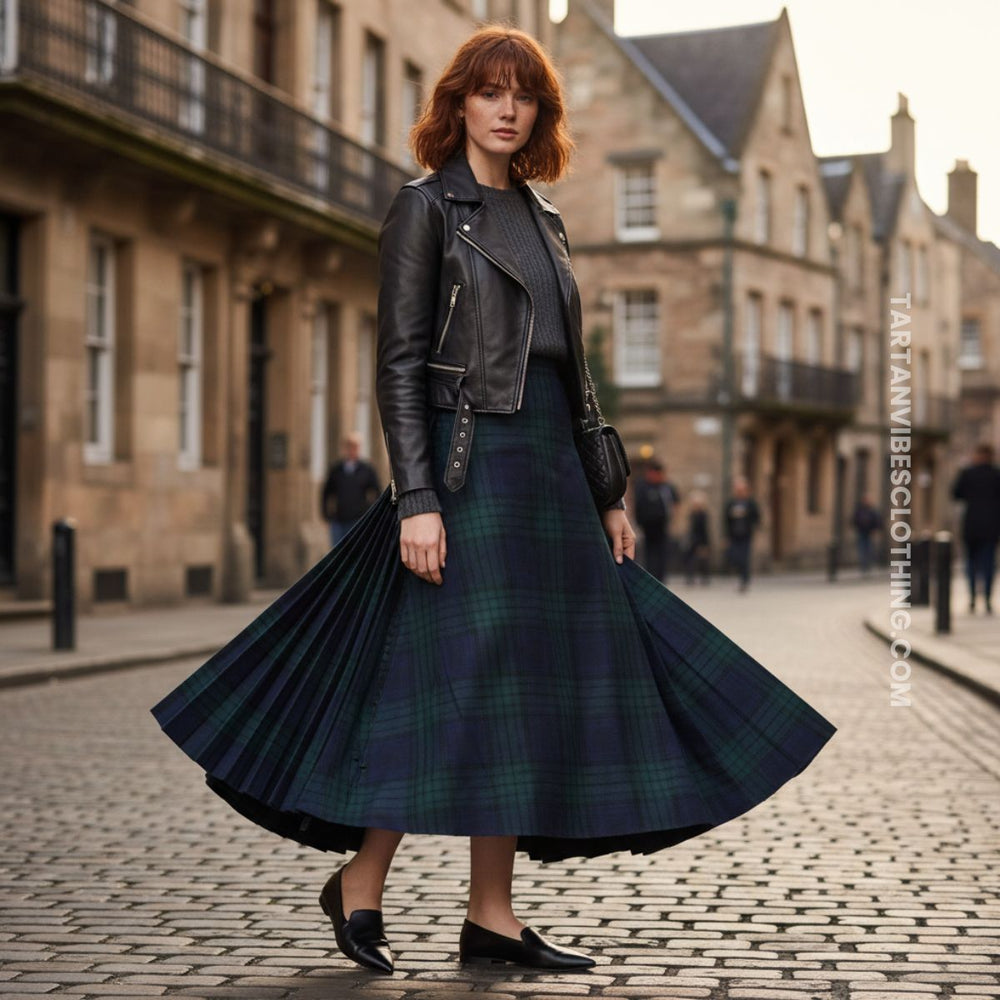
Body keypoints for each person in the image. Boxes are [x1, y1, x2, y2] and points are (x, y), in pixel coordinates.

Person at [150, 25, 836, 978]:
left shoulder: (547, 221)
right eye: (489, 92)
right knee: (446, 681)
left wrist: (608, 492)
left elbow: (574, 376)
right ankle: (362, 880)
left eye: (524, 96)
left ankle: (492, 917)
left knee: (519, 690)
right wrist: (418, 496)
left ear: (540, 113)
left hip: (551, 477)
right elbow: (399, 366)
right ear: (460, 105)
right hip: (468, 471)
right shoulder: (425, 208)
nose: (507, 109)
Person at [950, 442, 1000, 613]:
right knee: (988, 564)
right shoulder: (996, 474)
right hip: (991, 527)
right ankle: (987, 599)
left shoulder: (967, 473)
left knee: (971, 563)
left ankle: (972, 597)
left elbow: (956, 494)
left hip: (971, 525)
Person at [321, 432, 382, 547]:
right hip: (339, 520)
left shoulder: (367, 470)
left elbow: (377, 492)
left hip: (359, 520)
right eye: (349, 446)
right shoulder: (336, 470)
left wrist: (371, 514)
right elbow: (326, 492)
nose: (352, 450)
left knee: (357, 549)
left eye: (355, 446)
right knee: (338, 550)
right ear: (345, 448)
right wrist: (326, 515)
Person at [633, 460, 679, 582]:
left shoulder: (666, 487)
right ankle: (651, 576)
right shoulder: (642, 486)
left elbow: (675, 504)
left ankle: (661, 577)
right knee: (649, 552)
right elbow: (637, 505)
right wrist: (638, 523)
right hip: (647, 526)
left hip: (662, 525)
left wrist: (673, 520)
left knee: (662, 552)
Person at [724, 476, 760, 592]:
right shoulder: (731, 503)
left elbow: (756, 517)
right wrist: (726, 536)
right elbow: (726, 520)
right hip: (734, 534)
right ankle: (738, 574)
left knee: (744, 558)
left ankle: (744, 580)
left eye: (741, 489)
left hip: (746, 534)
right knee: (734, 556)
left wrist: (752, 524)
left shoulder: (750, 503)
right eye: (737, 489)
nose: (739, 491)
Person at [681, 489, 711, 585]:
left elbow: (704, 530)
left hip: (700, 540)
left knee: (702, 560)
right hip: (691, 540)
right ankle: (690, 577)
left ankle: (704, 577)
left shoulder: (703, 515)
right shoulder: (691, 515)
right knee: (690, 559)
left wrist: (705, 544)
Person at [851, 494, 881, 576]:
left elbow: (876, 520)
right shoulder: (860, 510)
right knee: (862, 549)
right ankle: (863, 566)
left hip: (869, 533)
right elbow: (854, 519)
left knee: (869, 549)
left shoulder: (871, 510)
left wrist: (874, 529)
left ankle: (867, 565)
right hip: (861, 532)